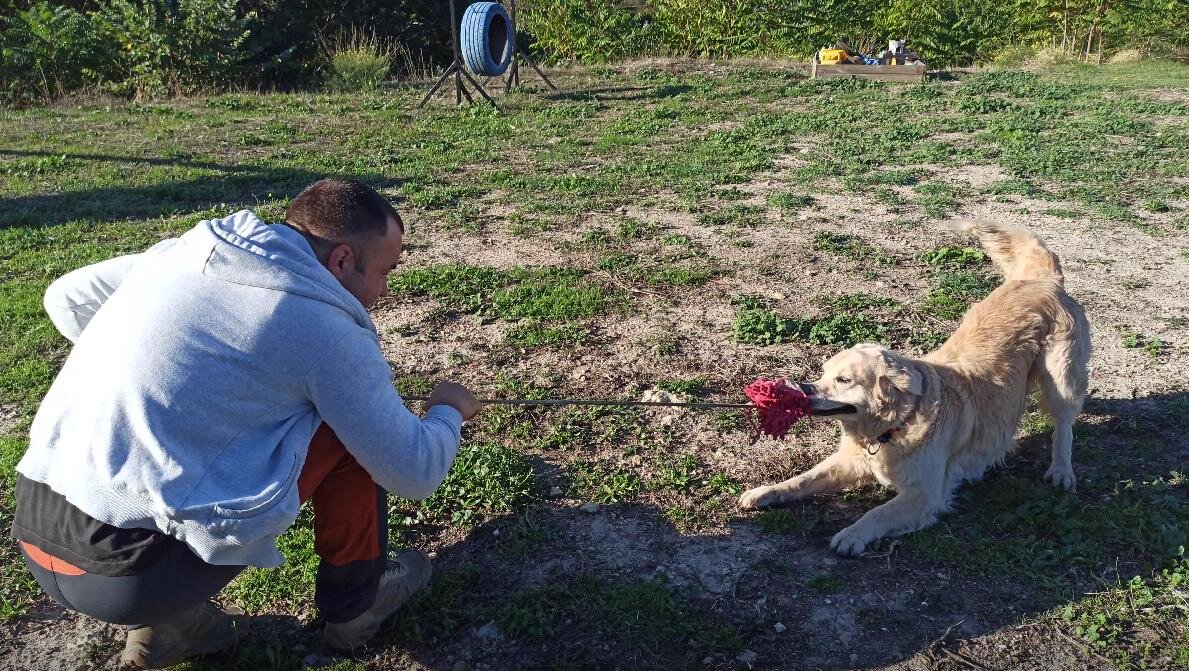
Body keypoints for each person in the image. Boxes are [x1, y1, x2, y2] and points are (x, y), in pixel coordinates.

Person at [12, 178, 482, 669]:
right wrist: (448, 410)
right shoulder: (324, 329)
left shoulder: (184, 251)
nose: (384, 291)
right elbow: (415, 473)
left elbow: (65, 297)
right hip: (133, 572)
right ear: (342, 260)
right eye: (385, 272)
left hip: (36, 530)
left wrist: (174, 381)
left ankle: (173, 624)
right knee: (344, 433)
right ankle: (356, 610)